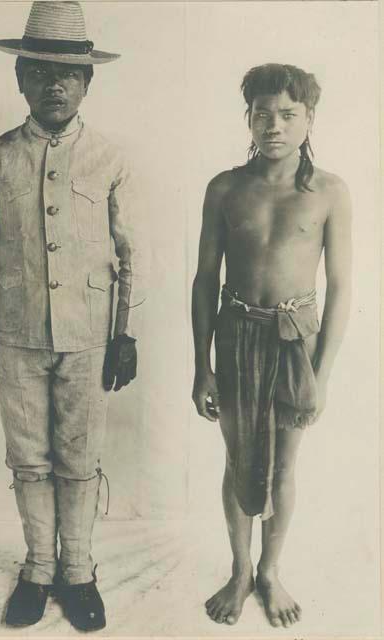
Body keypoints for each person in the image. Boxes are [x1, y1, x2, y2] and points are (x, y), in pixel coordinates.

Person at [0, 1, 147, 631]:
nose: (54, 83)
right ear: (20, 79)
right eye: (39, 70)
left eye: (69, 73)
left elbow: (133, 253)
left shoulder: (112, 158)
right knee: (29, 459)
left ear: (89, 81)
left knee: (79, 457)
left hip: (90, 337)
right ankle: (39, 567)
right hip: (17, 338)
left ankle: (81, 569)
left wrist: (127, 334)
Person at [191, 63, 352, 628]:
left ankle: (270, 571)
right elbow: (205, 278)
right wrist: (200, 367)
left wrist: (323, 373)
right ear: (249, 119)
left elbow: (342, 287)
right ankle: (239, 571)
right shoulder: (225, 188)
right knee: (239, 460)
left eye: (287, 114)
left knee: (284, 465)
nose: (274, 126)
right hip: (237, 335)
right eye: (263, 114)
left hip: (296, 344)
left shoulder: (330, 192)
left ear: (309, 119)